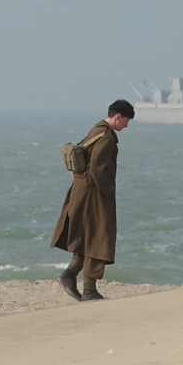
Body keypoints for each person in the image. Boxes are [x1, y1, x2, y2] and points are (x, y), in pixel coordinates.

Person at [52, 100, 133, 302]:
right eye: (126, 120)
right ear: (117, 116)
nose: (126, 125)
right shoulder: (106, 137)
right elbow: (98, 168)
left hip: (81, 189)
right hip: (93, 193)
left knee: (87, 236)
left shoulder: (96, 130)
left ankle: (69, 275)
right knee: (99, 237)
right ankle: (89, 289)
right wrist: (108, 190)